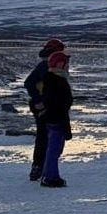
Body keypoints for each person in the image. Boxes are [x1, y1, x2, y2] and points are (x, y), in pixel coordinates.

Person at [24, 37, 66, 182]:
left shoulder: (47, 64)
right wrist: (39, 101)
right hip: (43, 105)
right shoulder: (45, 66)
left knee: (46, 136)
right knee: (45, 136)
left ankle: (41, 167)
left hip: (46, 104)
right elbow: (29, 83)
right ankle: (40, 168)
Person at [39, 50, 73, 188]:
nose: (68, 66)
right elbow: (58, 102)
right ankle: (50, 177)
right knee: (54, 149)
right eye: (66, 63)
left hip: (53, 118)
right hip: (57, 119)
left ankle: (49, 174)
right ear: (60, 64)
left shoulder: (51, 79)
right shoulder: (57, 81)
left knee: (54, 149)